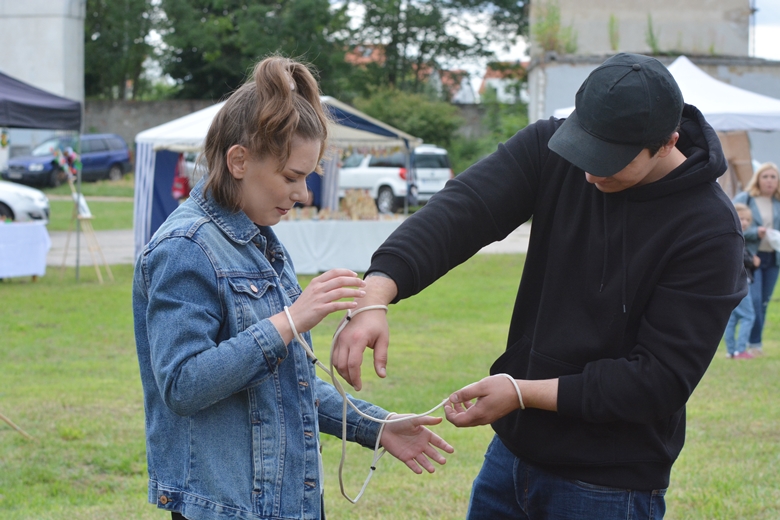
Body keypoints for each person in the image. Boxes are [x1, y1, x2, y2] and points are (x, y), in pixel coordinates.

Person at [331, 53, 746, 519]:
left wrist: (522, 392)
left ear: (667, 143)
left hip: (609, 484)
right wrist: (375, 295)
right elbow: (463, 210)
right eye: (584, 151)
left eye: (609, 161)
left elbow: (657, 381)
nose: (589, 172)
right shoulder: (552, 146)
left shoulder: (709, 230)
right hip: (511, 459)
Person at [132, 56, 453, 520]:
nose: (303, 194)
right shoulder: (185, 247)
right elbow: (182, 384)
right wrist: (290, 321)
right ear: (238, 160)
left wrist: (376, 426)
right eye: (290, 177)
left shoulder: (261, 241)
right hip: (228, 507)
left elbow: (284, 390)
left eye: (307, 177)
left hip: (287, 502)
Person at [733, 162, 780, 356]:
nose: (769, 181)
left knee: (764, 302)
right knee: (754, 299)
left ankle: (756, 344)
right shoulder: (747, 199)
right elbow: (733, 222)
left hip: (773, 258)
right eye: (765, 176)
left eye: (773, 177)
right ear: (758, 179)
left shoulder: (777, 202)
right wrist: (755, 232)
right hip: (752, 258)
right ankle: (747, 342)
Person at [724, 203, 759, 359]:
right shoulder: (736, 237)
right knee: (748, 316)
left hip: (730, 283)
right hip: (740, 282)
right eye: (741, 218)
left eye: (747, 220)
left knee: (733, 317)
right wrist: (753, 261)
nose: (744, 222)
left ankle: (731, 351)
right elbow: (741, 259)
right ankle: (740, 350)